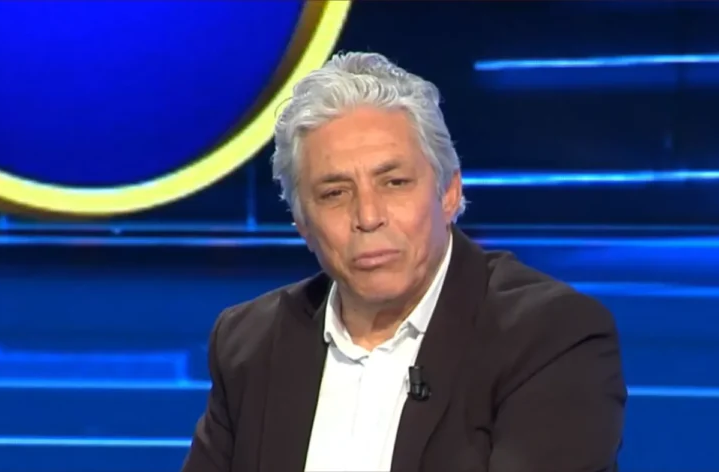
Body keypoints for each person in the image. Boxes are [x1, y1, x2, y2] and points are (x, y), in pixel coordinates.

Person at [181, 51, 626, 472]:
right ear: (303, 224)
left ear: (448, 193)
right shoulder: (251, 345)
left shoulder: (550, 337)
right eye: (334, 193)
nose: (368, 216)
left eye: (394, 183)